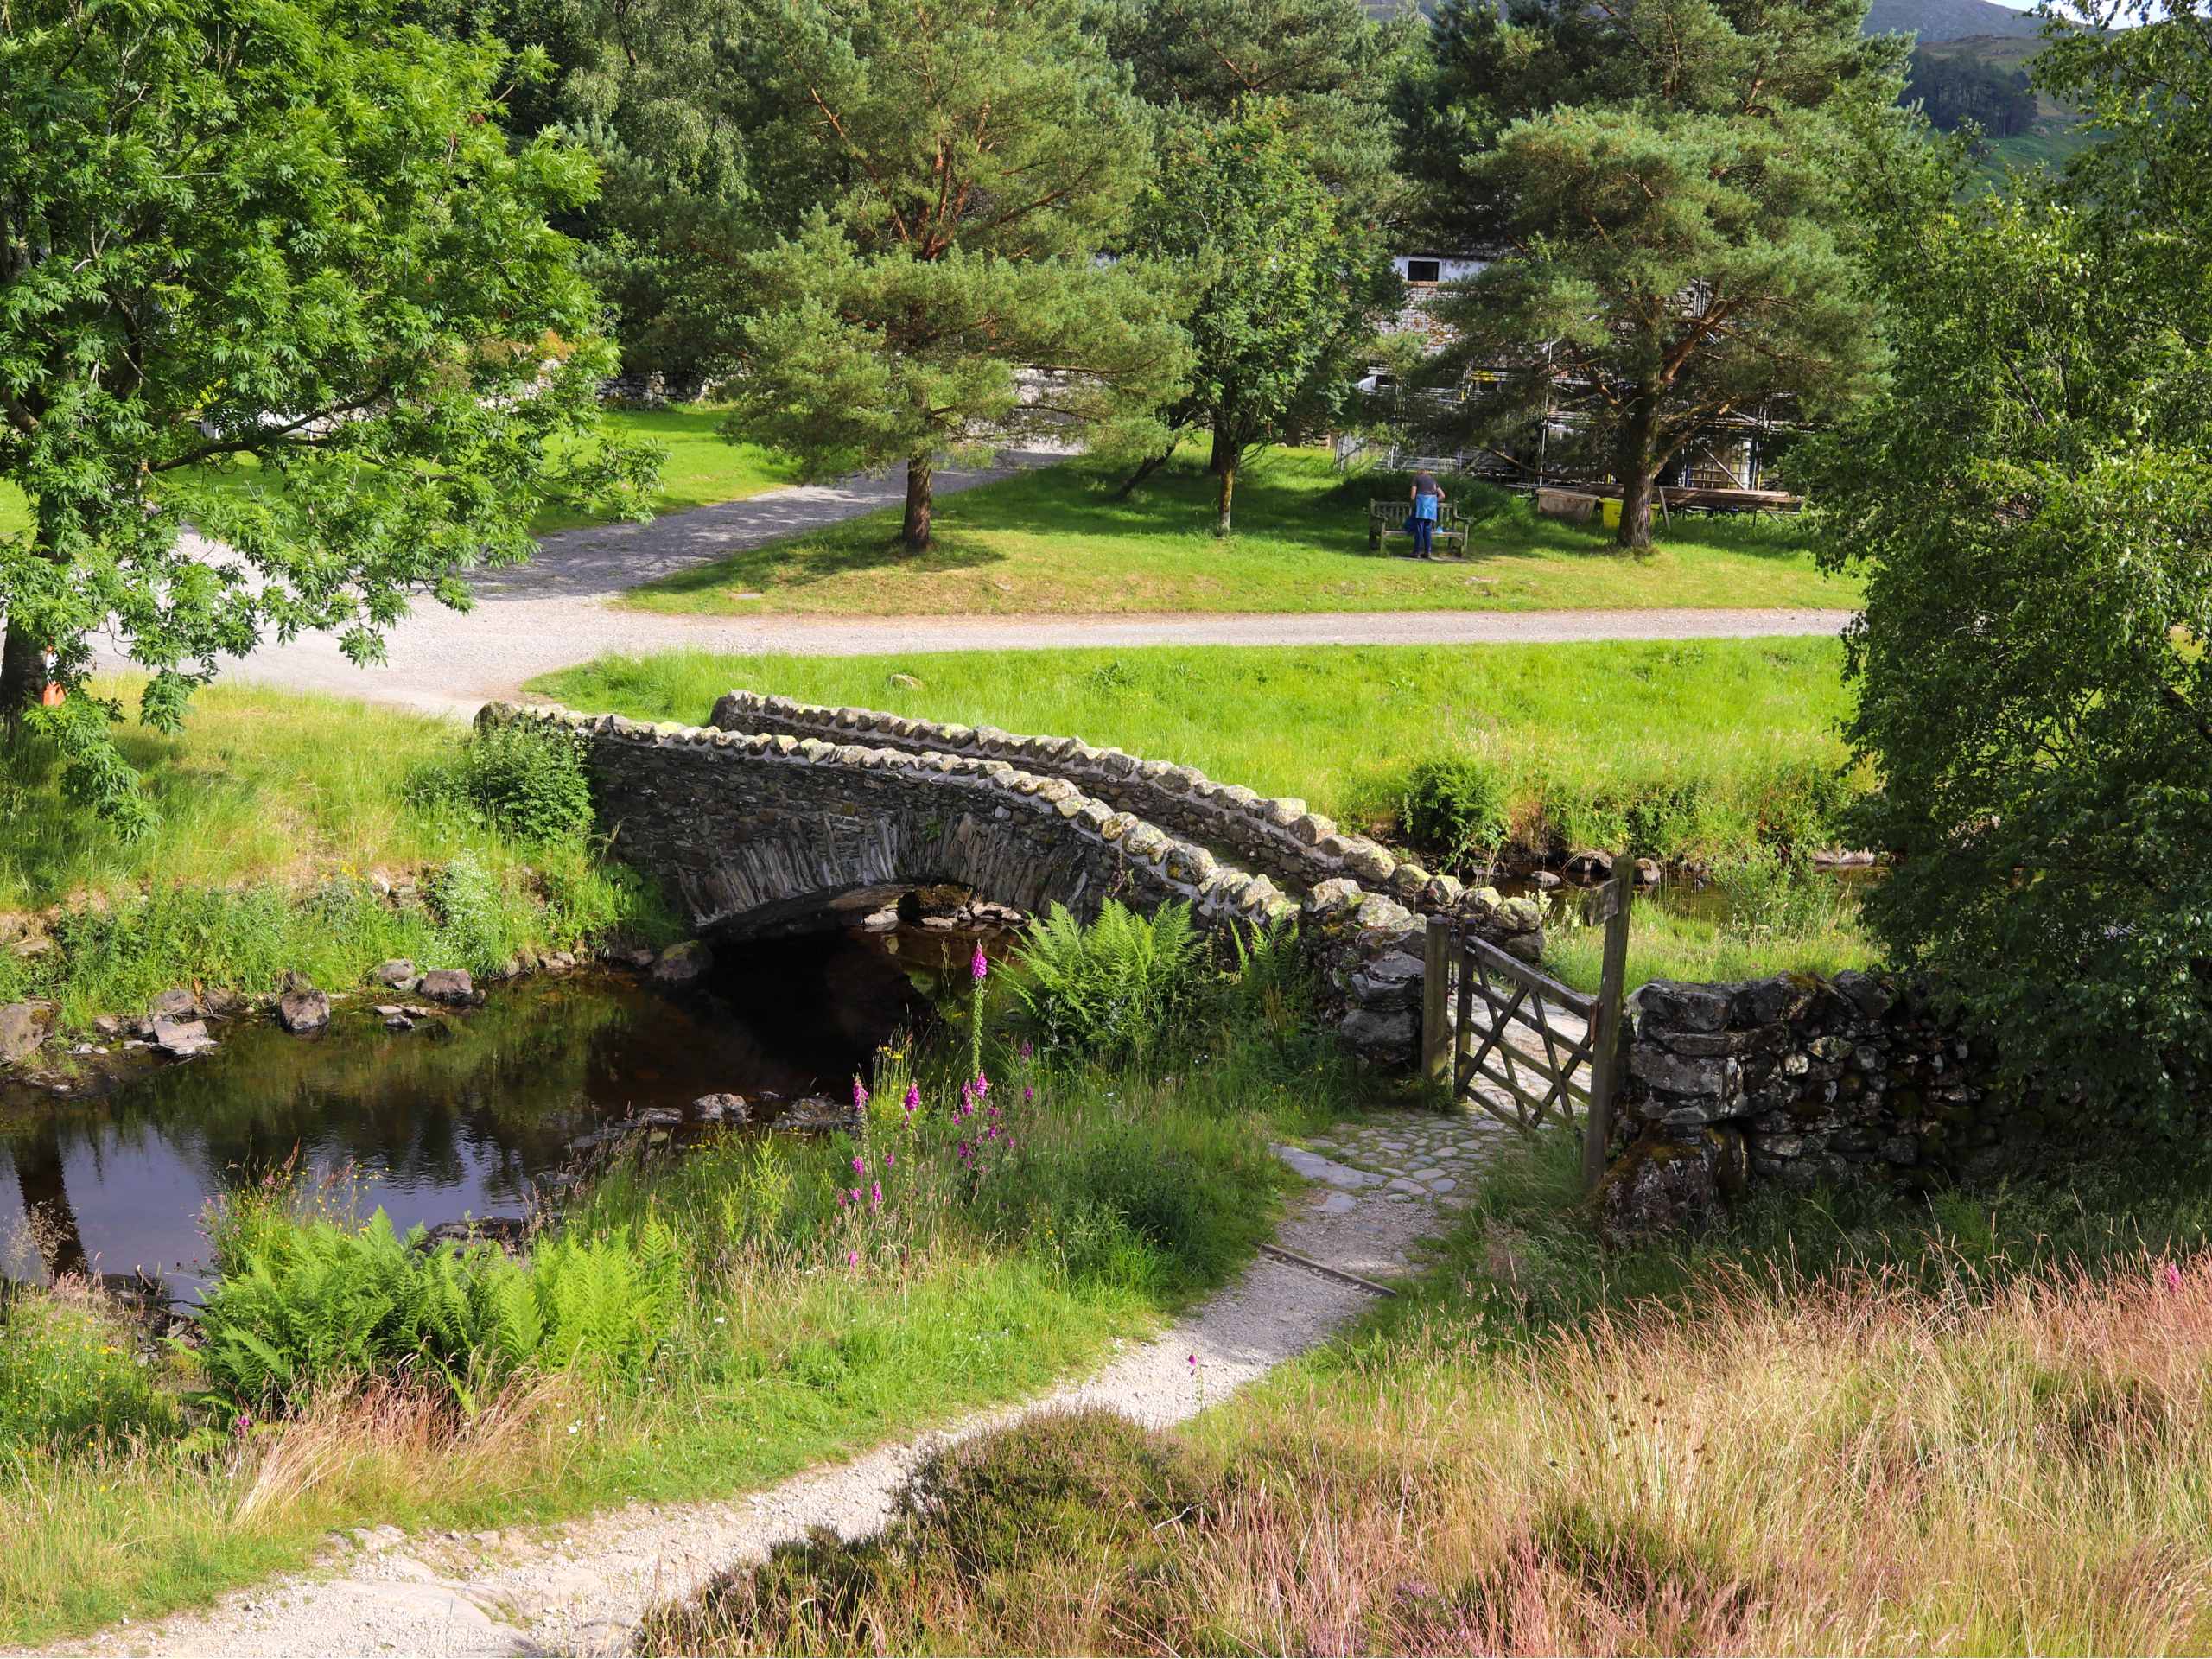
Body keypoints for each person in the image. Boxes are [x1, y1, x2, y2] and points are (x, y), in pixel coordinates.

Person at [1408, 470, 1445, 557]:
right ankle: (1427, 552)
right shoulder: (1433, 480)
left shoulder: (1416, 478)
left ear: (1419, 473)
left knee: (1419, 529)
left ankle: (1416, 552)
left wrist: (1412, 503)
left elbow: (1413, 496)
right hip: (1431, 507)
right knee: (1427, 530)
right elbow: (1442, 495)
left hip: (1422, 505)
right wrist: (1434, 501)